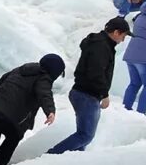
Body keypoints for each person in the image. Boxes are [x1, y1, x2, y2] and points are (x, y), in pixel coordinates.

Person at [48, 17, 130, 154]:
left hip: (84, 93)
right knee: (85, 135)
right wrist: (104, 94)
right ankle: (50, 157)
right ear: (116, 32)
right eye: (123, 36)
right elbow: (96, 72)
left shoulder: (99, 43)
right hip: (87, 94)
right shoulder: (101, 47)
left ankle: (73, 162)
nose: (123, 40)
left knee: (83, 136)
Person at [0, 56, 63, 165]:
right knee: (13, 138)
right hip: (7, 118)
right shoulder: (44, 78)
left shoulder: (21, 69)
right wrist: (50, 111)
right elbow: (44, 94)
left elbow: (1, 81)